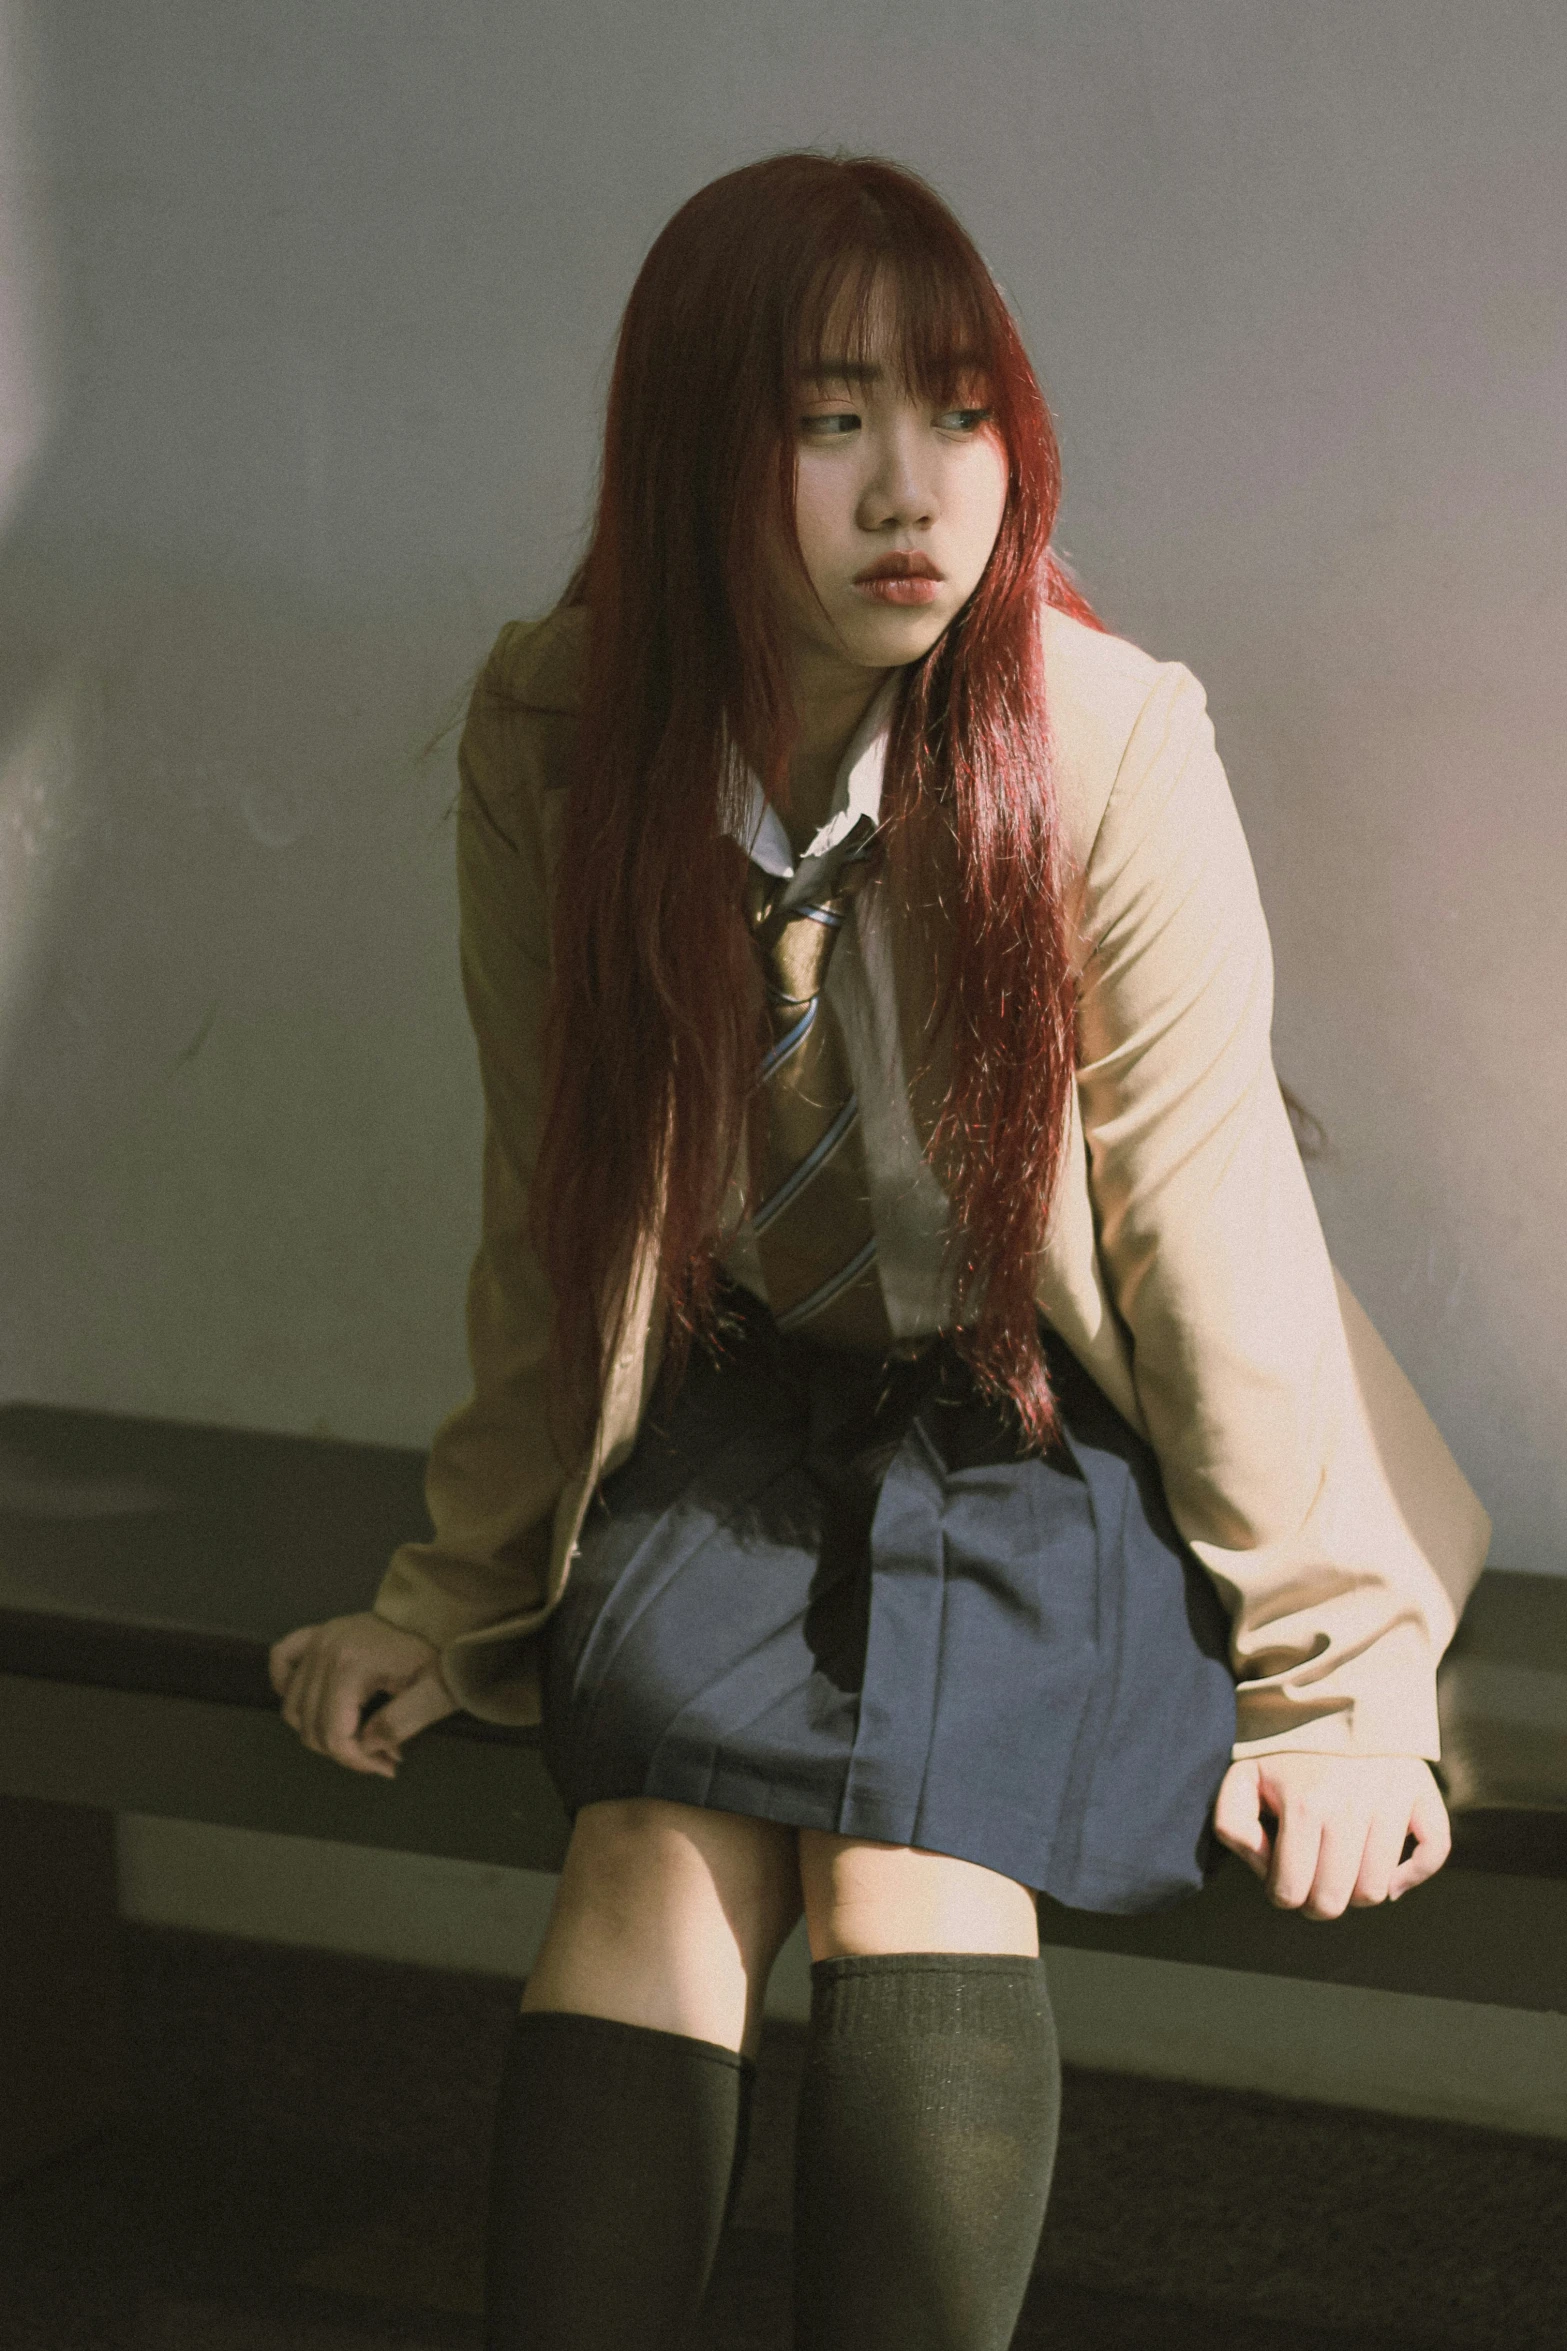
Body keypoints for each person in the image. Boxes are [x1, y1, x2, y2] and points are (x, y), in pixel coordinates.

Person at [268, 151, 1490, 2351]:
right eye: (831, 421)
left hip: (1050, 1415)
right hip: (754, 1404)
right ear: (692, 456)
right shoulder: (560, 734)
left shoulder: (1108, 740)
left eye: (958, 409)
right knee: (650, 1841)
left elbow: (1205, 1223)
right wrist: (450, 1591)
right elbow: (549, 1195)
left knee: (912, 1854)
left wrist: (1343, 1684)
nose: (915, 486)